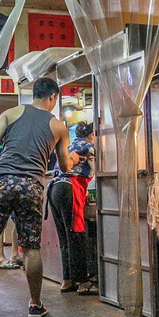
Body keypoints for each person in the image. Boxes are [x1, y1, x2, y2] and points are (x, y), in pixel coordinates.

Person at [0, 77, 74, 317]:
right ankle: (35, 304)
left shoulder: (10, 113)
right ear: (53, 97)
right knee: (32, 247)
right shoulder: (58, 126)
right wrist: (75, 158)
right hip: (31, 186)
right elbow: (65, 165)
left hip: (1, 183)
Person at [48, 121, 97, 295]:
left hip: (54, 189)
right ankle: (83, 282)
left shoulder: (72, 145)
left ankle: (67, 280)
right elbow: (99, 171)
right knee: (76, 235)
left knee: (65, 237)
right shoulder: (90, 146)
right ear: (93, 134)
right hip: (70, 188)